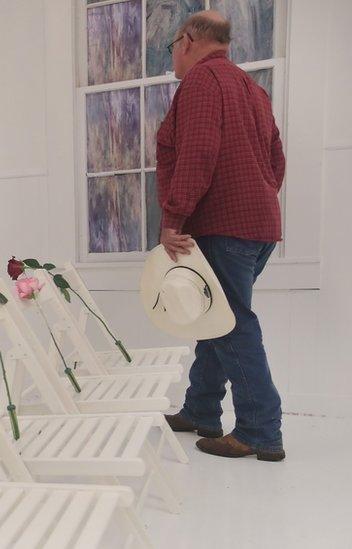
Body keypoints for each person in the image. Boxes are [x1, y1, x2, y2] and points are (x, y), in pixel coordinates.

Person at [157, 12, 286, 460]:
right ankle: (201, 410)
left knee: (230, 324)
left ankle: (259, 429)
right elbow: (276, 158)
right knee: (214, 320)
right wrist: (259, 196)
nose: (171, 54)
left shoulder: (201, 82)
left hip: (223, 226)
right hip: (258, 226)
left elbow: (197, 153)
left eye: (171, 44)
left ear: (187, 41)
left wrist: (174, 218)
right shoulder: (252, 88)